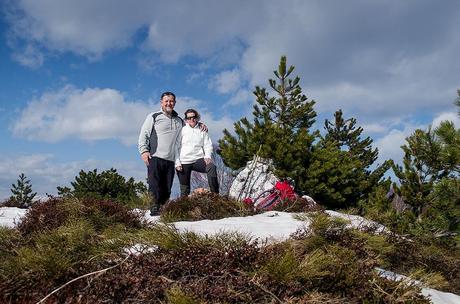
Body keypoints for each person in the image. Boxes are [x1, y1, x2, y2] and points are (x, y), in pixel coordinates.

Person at [138, 92, 183, 216]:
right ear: (161, 102)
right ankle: (154, 209)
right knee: (154, 184)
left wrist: (200, 124)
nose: (169, 103)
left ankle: (163, 210)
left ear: (175, 103)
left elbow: (190, 128)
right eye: (166, 101)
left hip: (171, 159)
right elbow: (144, 134)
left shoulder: (179, 121)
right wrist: (144, 151)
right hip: (155, 156)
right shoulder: (153, 116)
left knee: (167, 187)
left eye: (171, 101)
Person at [175, 109, 219, 196]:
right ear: (186, 119)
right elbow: (176, 146)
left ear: (197, 118)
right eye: (189, 118)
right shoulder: (181, 130)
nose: (192, 119)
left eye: (194, 117)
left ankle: (215, 195)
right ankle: (184, 207)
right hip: (184, 162)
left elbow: (207, 145)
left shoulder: (202, 129)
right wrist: (177, 162)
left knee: (211, 167)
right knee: (184, 191)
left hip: (198, 160)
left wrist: (207, 156)